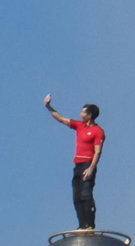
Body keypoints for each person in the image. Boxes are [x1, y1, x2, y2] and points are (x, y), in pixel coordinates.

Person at [45, 94, 105, 230]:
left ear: (90, 115)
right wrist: (48, 106)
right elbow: (61, 119)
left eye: (83, 112)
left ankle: (90, 224)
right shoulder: (80, 126)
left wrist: (91, 168)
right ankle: (82, 225)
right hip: (77, 165)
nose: (80, 114)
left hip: (87, 164)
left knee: (86, 194)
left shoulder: (98, 131)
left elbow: (98, 151)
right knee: (77, 196)